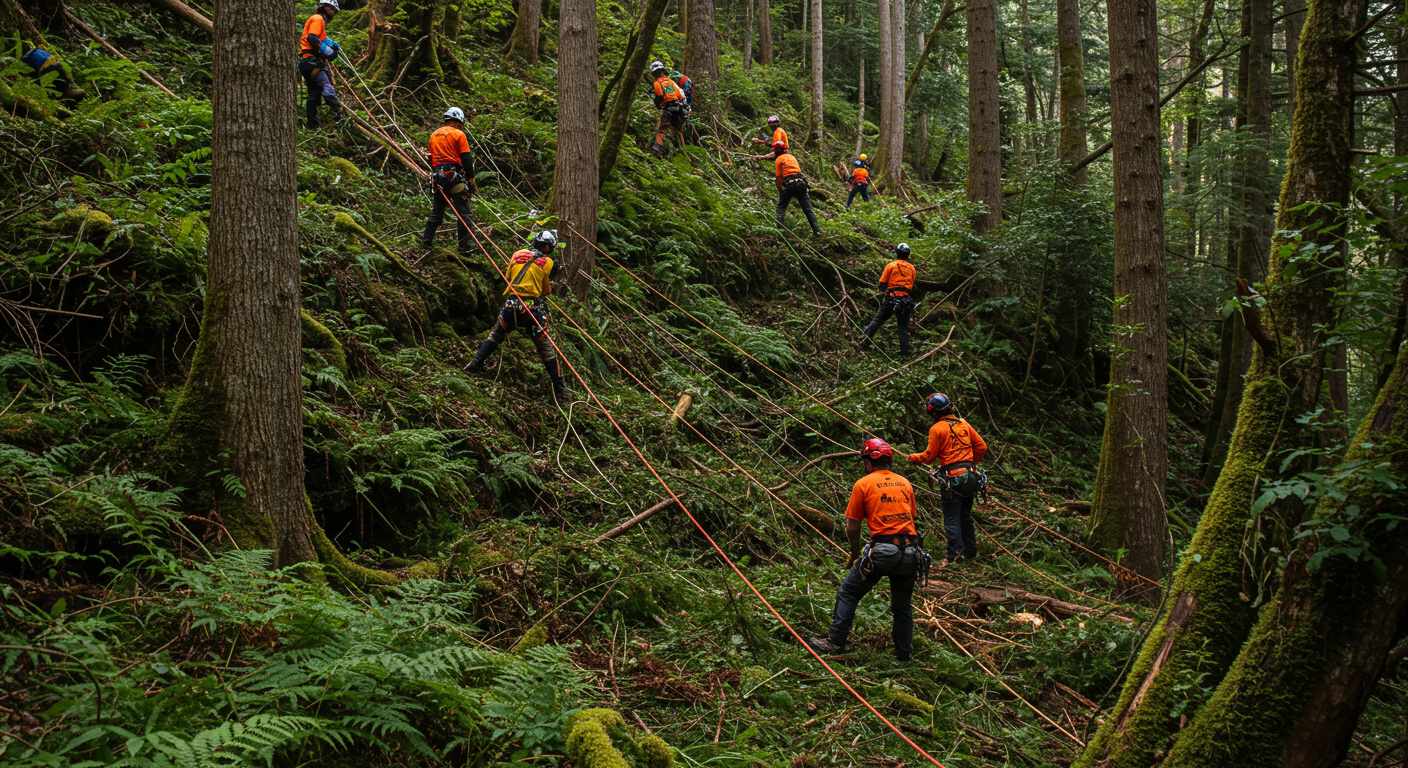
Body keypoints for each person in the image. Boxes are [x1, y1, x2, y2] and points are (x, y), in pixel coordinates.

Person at [808, 438, 930, 660]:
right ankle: (904, 654)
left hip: (883, 552)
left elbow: (852, 525)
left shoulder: (863, 484)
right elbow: (911, 516)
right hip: (910, 552)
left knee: (849, 591)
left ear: (868, 461)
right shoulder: (905, 483)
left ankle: (835, 641)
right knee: (902, 607)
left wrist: (855, 552)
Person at [466, 230, 569, 401]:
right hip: (533, 309)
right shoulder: (549, 263)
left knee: (496, 335)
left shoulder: (517, 254)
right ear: (546, 247)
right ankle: (561, 389)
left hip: (511, 305)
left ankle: (475, 363)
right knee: (546, 349)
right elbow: (545, 291)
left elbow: (508, 277)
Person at [907, 393, 988, 567]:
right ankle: (970, 552)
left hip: (953, 480)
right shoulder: (963, 424)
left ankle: (954, 556)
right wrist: (971, 463)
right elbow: (981, 446)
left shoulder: (937, 429)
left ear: (932, 412)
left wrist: (913, 458)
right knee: (965, 515)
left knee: (952, 518)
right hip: (970, 476)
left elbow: (929, 456)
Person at [421, 107, 474, 254]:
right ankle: (464, 248)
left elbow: (431, 158)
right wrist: (471, 179)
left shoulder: (433, 135)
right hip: (454, 177)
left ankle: (426, 241)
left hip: (438, 177)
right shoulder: (459, 134)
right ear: (458, 121)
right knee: (464, 214)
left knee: (437, 211)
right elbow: (466, 159)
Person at [860, 243, 916, 355]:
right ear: (908, 255)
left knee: (877, 320)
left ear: (897, 253)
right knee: (903, 328)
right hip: (905, 300)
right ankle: (904, 354)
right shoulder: (912, 268)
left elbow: (882, 284)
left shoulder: (891, 265)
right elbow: (912, 285)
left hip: (891, 298)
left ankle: (863, 342)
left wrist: (885, 290)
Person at [757, 143, 820, 236]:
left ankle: (780, 231)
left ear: (777, 151)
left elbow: (779, 178)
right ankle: (817, 231)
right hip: (801, 183)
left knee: (781, 207)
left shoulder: (779, 159)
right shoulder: (791, 157)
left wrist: (780, 190)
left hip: (790, 184)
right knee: (808, 209)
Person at [298, 0, 344, 129]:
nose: (333, 13)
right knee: (327, 86)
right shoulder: (318, 18)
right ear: (326, 7)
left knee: (314, 94)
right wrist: (328, 51)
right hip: (313, 62)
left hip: (306, 63)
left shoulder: (317, 21)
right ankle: (340, 114)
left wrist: (331, 44)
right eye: (333, 10)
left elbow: (320, 38)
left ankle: (312, 126)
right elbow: (312, 38)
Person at [648, 61, 688, 156]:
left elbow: (660, 96)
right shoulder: (670, 82)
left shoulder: (657, 83)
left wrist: (657, 103)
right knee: (678, 130)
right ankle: (682, 151)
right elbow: (680, 95)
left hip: (669, 109)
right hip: (679, 108)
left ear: (654, 73)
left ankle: (656, 149)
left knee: (662, 129)